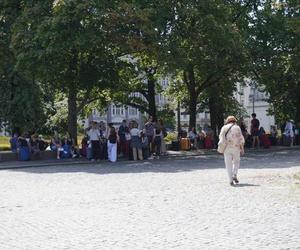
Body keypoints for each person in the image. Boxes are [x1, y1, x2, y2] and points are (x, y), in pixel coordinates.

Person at [219, 116, 245, 186]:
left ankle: (230, 180)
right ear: (234, 121)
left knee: (228, 164)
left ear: (227, 121)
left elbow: (221, 138)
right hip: (236, 147)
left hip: (227, 148)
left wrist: (221, 147)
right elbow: (241, 138)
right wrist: (242, 148)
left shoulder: (224, 127)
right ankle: (234, 174)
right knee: (236, 161)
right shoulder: (237, 127)